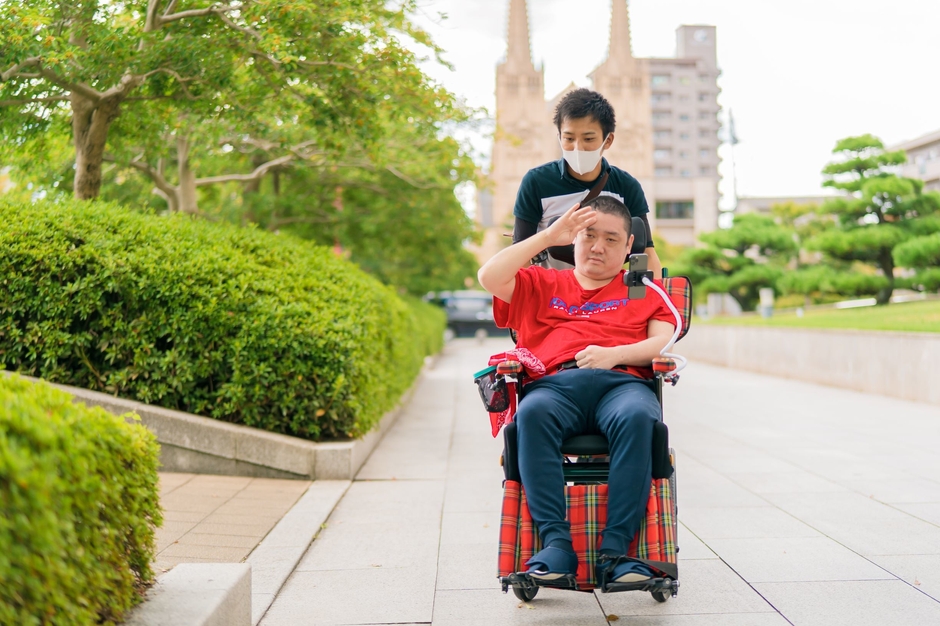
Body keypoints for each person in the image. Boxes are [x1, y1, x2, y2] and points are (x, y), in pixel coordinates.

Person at [478, 195, 675, 584]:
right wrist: (548, 236)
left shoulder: (641, 290)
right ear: (574, 238)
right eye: (589, 235)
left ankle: (617, 551)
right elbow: (489, 277)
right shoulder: (541, 282)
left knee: (640, 416)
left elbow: (661, 340)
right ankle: (556, 546)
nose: (599, 246)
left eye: (612, 239)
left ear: (628, 246)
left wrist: (613, 354)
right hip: (554, 386)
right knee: (530, 414)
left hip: (622, 385)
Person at [512, 88, 662, 277]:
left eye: (588, 138)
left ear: (608, 141)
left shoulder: (626, 186)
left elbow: (646, 252)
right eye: (569, 138)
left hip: (606, 299)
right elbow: (520, 253)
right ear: (559, 137)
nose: (578, 147)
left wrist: (653, 298)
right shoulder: (536, 182)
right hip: (553, 298)